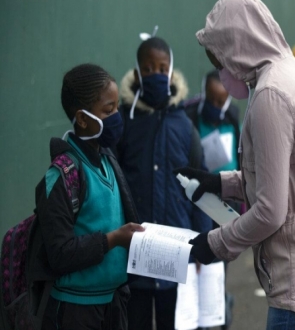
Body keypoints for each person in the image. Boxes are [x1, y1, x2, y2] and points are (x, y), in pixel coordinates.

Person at [177, 0, 295, 329]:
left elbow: (271, 211)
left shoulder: (271, 94)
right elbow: (290, 172)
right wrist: (220, 183)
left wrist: (214, 244)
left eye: (221, 61)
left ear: (238, 46)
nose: (222, 71)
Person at [37, 63, 145, 329]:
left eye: (117, 108)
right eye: (108, 111)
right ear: (82, 119)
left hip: (113, 305)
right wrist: (113, 239)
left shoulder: (108, 160)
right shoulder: (61, 177)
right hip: (76, 311)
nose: (116, 116)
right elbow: (59, 253)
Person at [116, 36, 213, 330]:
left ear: (171, 72)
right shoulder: (124, 122)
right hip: (136, 253)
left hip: (177, 252)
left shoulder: (184, 125)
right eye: (148, 68)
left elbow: (202, 184)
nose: (155, 74)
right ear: (137, 72)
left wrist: (203, 240)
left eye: (162, 67)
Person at [184, 70, 240, 330]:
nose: (217, 106)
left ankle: (218, 307)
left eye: (222, 100)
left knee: (220, 259)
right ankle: (200, 315)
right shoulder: (191, 116)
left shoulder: (234, 117)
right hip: (199, 200)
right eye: (212, 99)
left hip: (227, 201)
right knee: (198, 256)